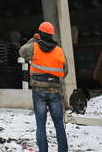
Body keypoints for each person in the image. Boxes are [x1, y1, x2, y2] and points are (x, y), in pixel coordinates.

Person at [20, 22, 68, 152]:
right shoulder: (59, 50)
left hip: (38, 90)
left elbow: (22, 51)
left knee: (41, 124)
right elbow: (65, 72)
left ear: (40, 33)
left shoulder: (34, 47)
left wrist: (34, 39)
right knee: (59, 124)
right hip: (54, 91)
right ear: (52, 35)